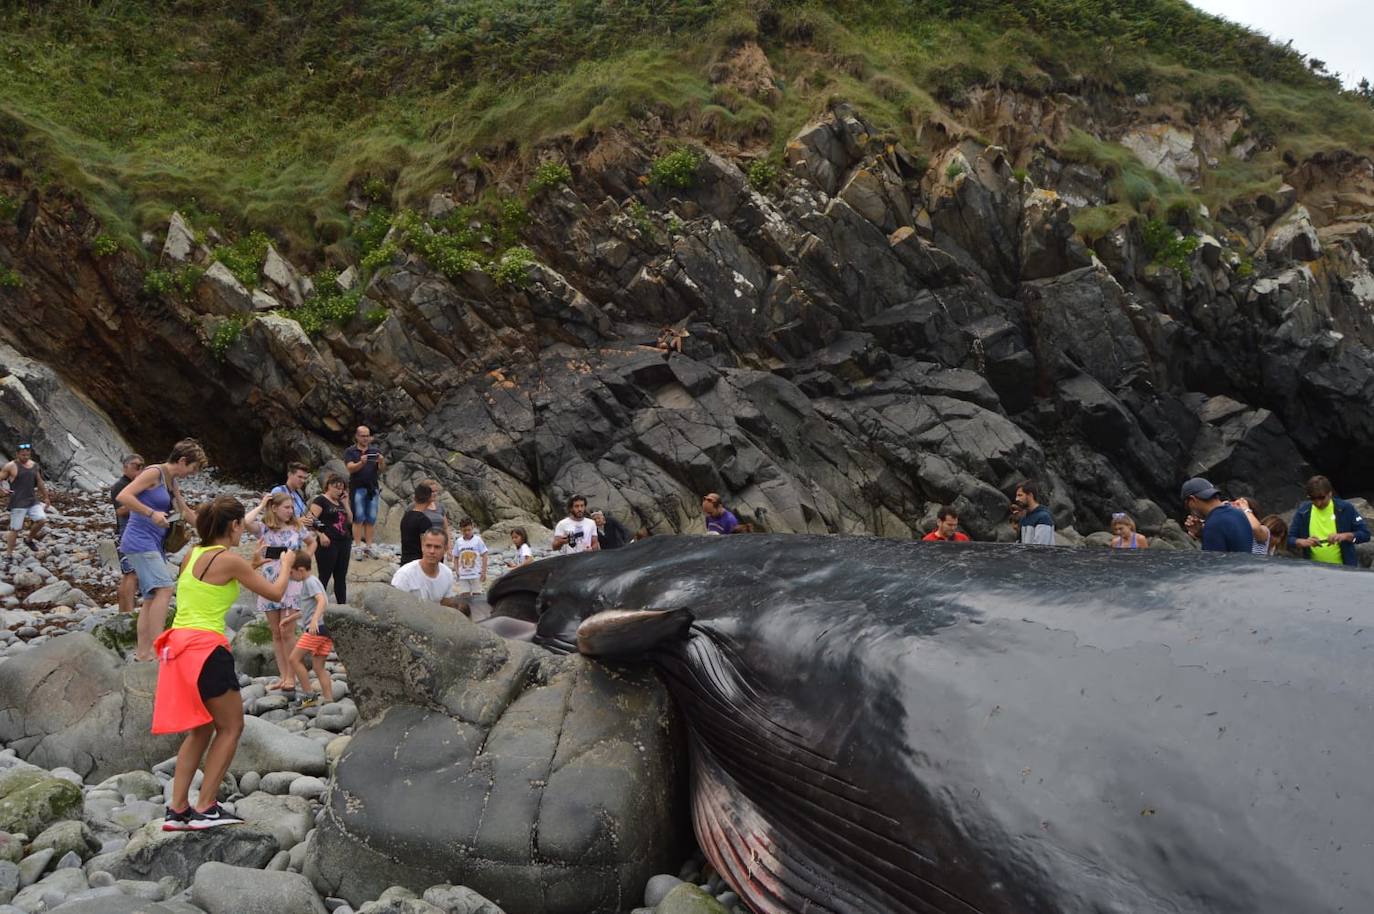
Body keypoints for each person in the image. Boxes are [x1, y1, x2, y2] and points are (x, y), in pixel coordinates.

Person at [154, 497, 296, 831]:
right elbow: (276, 594)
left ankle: (177, 810)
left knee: (201, 728)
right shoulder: (231, 560)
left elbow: (211, 583)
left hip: (177, 649)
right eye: (240, 527)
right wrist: (287, 563)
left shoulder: (191, 555)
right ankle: (205, 806)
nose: (243, 532)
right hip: (207, 650)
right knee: (231, 727)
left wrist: (254, 565)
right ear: (233, 525)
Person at [118, 439, 206, 661]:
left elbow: (184, 510)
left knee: (150, 597)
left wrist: (210, 533)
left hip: (154, 543)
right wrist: (151, 513)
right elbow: (124, 496)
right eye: (192, 469)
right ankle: (161, 649)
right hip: (139, 540)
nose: (191, 474)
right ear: (183, 461)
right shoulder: (153, 473)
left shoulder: (171, 480)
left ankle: (143, 653)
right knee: (165, 590)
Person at [245, 492, 317, 691]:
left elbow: (312, 542)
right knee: (276, 633)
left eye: (292, 507)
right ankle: (283, 675)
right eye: (286, 507)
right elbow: (245, 521)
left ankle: (292, 676)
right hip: (268, 583)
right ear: (274, 508)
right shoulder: (263, 529)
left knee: (288, 631)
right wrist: (261, 505)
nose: (290, 511)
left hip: (292, 583)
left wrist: (303, 563)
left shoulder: (297, 527)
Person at [280, 555, 333, 705]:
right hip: (325, 630)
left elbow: (321, 600)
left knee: (293, 659)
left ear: (301, 570)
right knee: (318, 667)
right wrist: (290, 618)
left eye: (291, 572)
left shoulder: (310, 582)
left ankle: (309, 695)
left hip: (316, 629)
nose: (290, 576)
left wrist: (315, 620)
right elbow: (308, 609)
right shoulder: (310, 582)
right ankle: (329, 699)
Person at [1287, 475, 1370, 566]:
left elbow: (1365, 535)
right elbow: (1289, 539)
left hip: (1344, 570)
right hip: (1312, 570)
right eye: (1313, 498)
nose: (1318, 502)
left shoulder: (1345, 508)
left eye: (1322, 498)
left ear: (1330, 494)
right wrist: (1302, 542)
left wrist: (1346, 536)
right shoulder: (1303, 511)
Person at [307, 473, 352, 605]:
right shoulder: (320, 500)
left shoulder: (341, 502)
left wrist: (346, 503)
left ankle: (342, 605)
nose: (339, 490)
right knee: (325, 575)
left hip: (344, 541)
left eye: (341, 488)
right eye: (336, 487)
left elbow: (350, 520)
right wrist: (321, 534)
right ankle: (316, 605)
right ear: (328, 486)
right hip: (328, 541)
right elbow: (311, 519)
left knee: (341, 576)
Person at [391, 527, 463, 608]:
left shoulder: (447, 574)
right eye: (428, 546)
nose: (432, 551)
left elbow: (446, 606)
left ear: (445, 549)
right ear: (422, 547)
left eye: (437, 547)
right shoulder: (404, 575)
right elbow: (394, 606)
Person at [2, 443, 51, 557]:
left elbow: (39, 482)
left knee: (42, 520)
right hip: (18, 502)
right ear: (17, 454)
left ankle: (28, 539)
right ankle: (9, 554)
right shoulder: (10, 466)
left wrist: (46, 497)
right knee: (15, 529)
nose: (25, 457)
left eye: (27, 455)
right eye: (23, 455)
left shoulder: (34, 465)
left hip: (32, 501)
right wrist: (3, 490)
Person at [1180, 477, 1253, 553]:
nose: (1189, 511)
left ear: (1193, 500)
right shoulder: (1238, 513)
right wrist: (1201, 534)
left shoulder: (1213, 525)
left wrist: (1207, 533)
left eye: (1187, 505)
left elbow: (1214, 562)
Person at [111, 454, 145, 616]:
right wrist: (141, 504)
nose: (140, 469)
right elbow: (120, 511)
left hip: (135, 532)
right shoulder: (120, 485)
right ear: (125, 467)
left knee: (130, 574)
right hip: (126, 533)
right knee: (131, 574)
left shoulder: (136, 485)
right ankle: (128, 612)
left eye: (142, 466)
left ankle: (123, 612)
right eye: (136, 466)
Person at [344, 426, 383, 557]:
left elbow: (381, 470)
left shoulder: (375, 450)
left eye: (367, 436)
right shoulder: (350, 451)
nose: (366, 438)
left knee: (371, 518)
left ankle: (369, 546)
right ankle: (357, 547)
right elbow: (350, 469)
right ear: (357, 436)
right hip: (357, 488)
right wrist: (361, 463)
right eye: (363, 436)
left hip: (373, 488)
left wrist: (381, 462)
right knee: (358, 517)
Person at [398, 483, 435, 566]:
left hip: (404, 563)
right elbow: (425, 547)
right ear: (429, 499)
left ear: (415, 498)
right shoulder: (424, 521)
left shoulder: (406, 517)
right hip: (418, 565)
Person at [451, 518, 489, 597]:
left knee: (477, 596)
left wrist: (484, 571)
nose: (467, 532)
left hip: (476, 574)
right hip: (463, 575)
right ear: (461, 529)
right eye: (464, 530)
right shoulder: (459, 542)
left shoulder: (478, 540)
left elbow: (485, 555)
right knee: (465, 596)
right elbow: (455, 556)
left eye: (469, 530)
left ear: (472, 527)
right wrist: (457, 570)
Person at [1012, 481, 1054, 545]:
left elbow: (1041, 548)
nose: (1016, 499)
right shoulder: (1024, 518)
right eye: (1016, 496)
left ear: (1030, 495)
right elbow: (1019, 545)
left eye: (1020, 495)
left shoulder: (1043, 518)